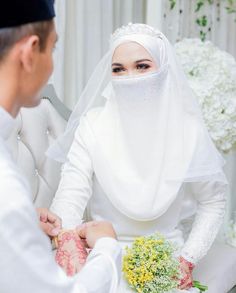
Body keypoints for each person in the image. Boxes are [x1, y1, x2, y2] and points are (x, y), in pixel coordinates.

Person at [48, 23, 228, 292]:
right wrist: (72, 246)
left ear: (164, 69)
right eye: (118, 69)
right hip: (103, 255)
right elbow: (70, 196)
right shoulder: (93, 124)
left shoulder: (188, 131)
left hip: (166, 261)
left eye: (142, 66)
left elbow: (213, 200)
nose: (129, 77)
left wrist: (186, 259)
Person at [0, 1, 121, 292]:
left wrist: (25, 224)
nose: (53, 65)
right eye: (53, 49)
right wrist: (107, 248)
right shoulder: (7, 193)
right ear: (30, 53)